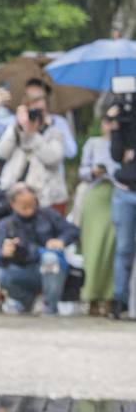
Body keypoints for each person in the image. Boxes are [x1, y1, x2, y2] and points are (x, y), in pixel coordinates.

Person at [0, 184, 80, 315]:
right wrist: (5, 253)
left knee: (50, 258)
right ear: (13, 204)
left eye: (32, 203)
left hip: (48, 271)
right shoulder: (5, 224)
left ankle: (49, 306)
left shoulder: (48, 214)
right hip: (22, 272)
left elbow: (73, 231)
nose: (29, 208)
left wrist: (61, 240)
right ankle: (29, 302)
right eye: (24, 205)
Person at [0, 84, 69, 213]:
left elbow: (53, 159)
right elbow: (0, 153)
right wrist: (17, 127)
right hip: (17, 194)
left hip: (46, 197)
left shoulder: (54, 132)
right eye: (31, 104)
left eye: (39, 102)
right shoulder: (16, 128)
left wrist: (33, 134)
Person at [76, 105, 122, 315]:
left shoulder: (126, 144)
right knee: (93, 247)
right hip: (95, 196)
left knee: (114, 247)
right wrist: (94, 171)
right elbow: (82, 172)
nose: (111, 125)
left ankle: (110, 296)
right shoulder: (93, 144)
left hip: (118, 195)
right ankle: (91, 296)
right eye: (108, 120)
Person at [0, 78, 79, 159]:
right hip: (22, 177)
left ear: (46, 100)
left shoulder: (58, 122)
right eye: (29, 98)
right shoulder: (19, 120)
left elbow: (71, 153)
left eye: (37, 99)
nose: (32, 103)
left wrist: (52, 128)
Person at [110, 99, 136, 320]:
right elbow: (117, 155)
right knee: (124, 248)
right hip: (125, 190)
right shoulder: (124, 116)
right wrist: (116, 125)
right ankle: (119, 299)